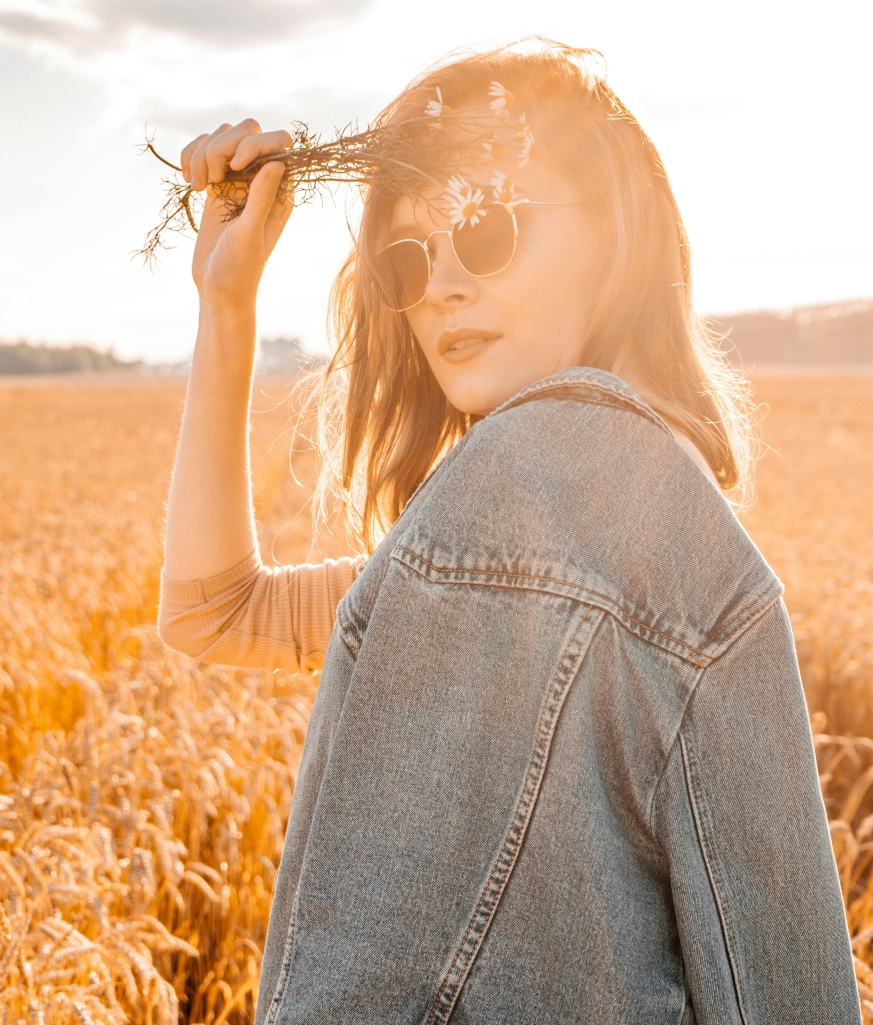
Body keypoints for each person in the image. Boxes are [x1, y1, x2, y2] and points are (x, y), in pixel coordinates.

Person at [157, 41, 860, 1025]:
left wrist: (222, 310)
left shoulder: (538, 480)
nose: (441, 285)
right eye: (406, 261)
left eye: (485, 229)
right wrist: (224, 300)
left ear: (611, 234)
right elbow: (219, 610)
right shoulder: (589, 521)